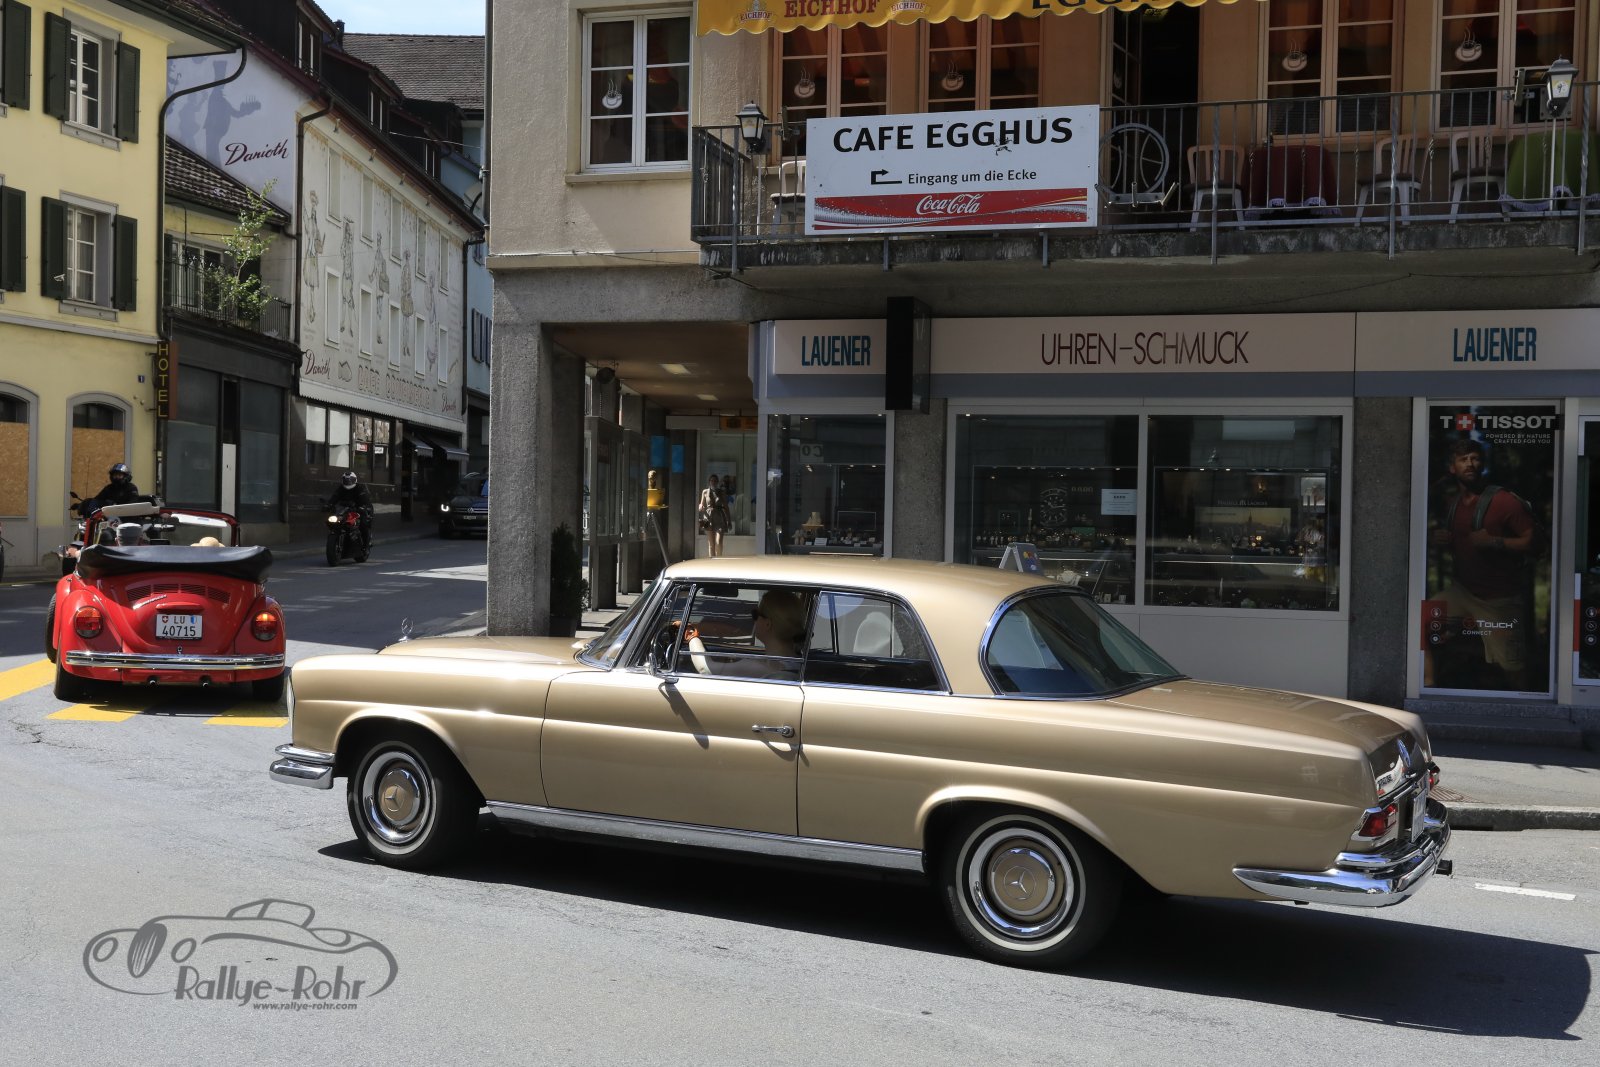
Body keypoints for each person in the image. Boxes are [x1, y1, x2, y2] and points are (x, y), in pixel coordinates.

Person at [1428, 438, 1538, 688]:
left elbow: (1535, 544)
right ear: (1452, 468)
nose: (1470, 463)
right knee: (1419, 626)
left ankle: (1525, 705)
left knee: (1513, 668)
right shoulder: (1454, 504)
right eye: (1463, 459)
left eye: (1475, 458)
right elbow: (1464, 545)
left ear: (1483, 465)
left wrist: (1494, 542)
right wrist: (1442, 540)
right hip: (1462, 592)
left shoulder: (1504, 501)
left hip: (1499, 599)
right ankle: (1427, 689)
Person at [689, 590, 808, 680]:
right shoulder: (799, 662)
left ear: (767, 624)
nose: (753, 620)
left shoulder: (760, 667)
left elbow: (706, 669)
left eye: (755, 614)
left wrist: (691, 635)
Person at [327, 471, 373, 549]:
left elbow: (365, 499)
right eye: (346, 480)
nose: (348, 482)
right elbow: (335, 496)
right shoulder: (341, 488)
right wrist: (329, 504)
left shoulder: (359, 488)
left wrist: (362, 506)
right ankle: (337, 536)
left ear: (355, 480)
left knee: (363, 524)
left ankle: (366, 545)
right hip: (344, 509)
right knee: (332, 520)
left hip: (358, 509)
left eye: (350, 480)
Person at [697, 474, 731, 558]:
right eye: (712, 480)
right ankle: (711, 562)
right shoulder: (705, 492)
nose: (713, 482)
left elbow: (726, 507)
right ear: (709, 482)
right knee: (711, 544)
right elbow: (701, 504)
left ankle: (719, 560)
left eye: (715, 481)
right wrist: (700, 506)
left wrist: (729, 521)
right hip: (709, 518)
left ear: (717, 482)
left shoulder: (721, 492)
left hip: (719, 517)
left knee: (718, 542)